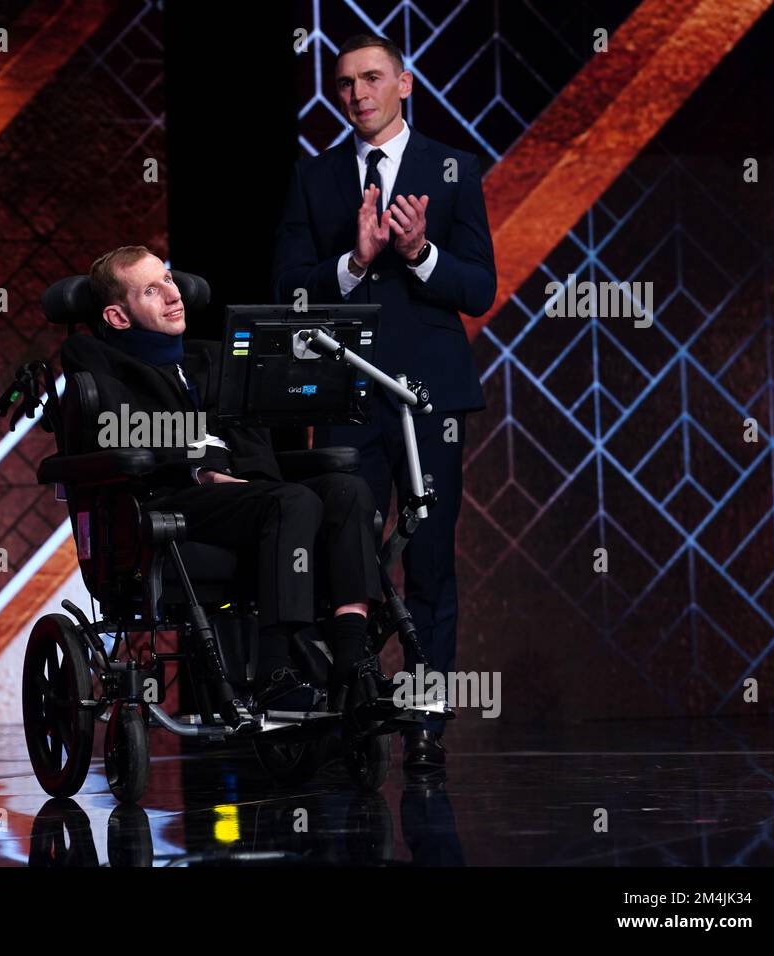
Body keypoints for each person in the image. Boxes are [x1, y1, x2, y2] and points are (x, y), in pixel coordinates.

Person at [273, 34, 496, 773]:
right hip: (346, 396)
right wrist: (356, 261)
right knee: (350, 553)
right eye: (344, 84)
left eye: (372, 78)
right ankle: (356, 702)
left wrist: (419, 253)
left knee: (430, 554)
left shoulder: (455, 168)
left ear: (404, 83)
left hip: (429, 396)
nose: (357, 94)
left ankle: (427, 708)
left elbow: (478, 289)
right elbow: (290, 293)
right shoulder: (315, 177)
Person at [63, 245, 386, 713]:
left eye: (170, 281)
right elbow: (120, 425)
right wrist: (208, 465)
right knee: (290, 502)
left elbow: (251, 436)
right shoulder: (95, 359)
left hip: (241, 496)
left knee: (347, 489)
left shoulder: (211, 357)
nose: (173, 296)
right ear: (117, 315)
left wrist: (242, 475)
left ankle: (352, 660)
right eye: (151, 290)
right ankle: (277, 672)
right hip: (165, 500)